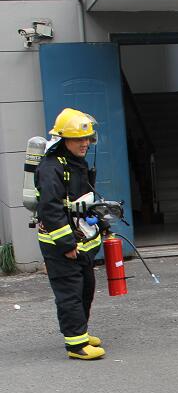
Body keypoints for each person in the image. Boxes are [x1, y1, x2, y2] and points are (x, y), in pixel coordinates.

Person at [34, 108, 105, 360]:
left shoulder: (76, 163)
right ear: (64, 139)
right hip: (61, 244)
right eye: (78, 139)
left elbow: (80, 200)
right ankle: (76, 345)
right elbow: (50, 209)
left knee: (86, 288)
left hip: (80, 241)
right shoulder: (51, 167)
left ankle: (80, 332)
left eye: (87, 138)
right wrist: (66, 243)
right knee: (70, 293)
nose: (85, 143)